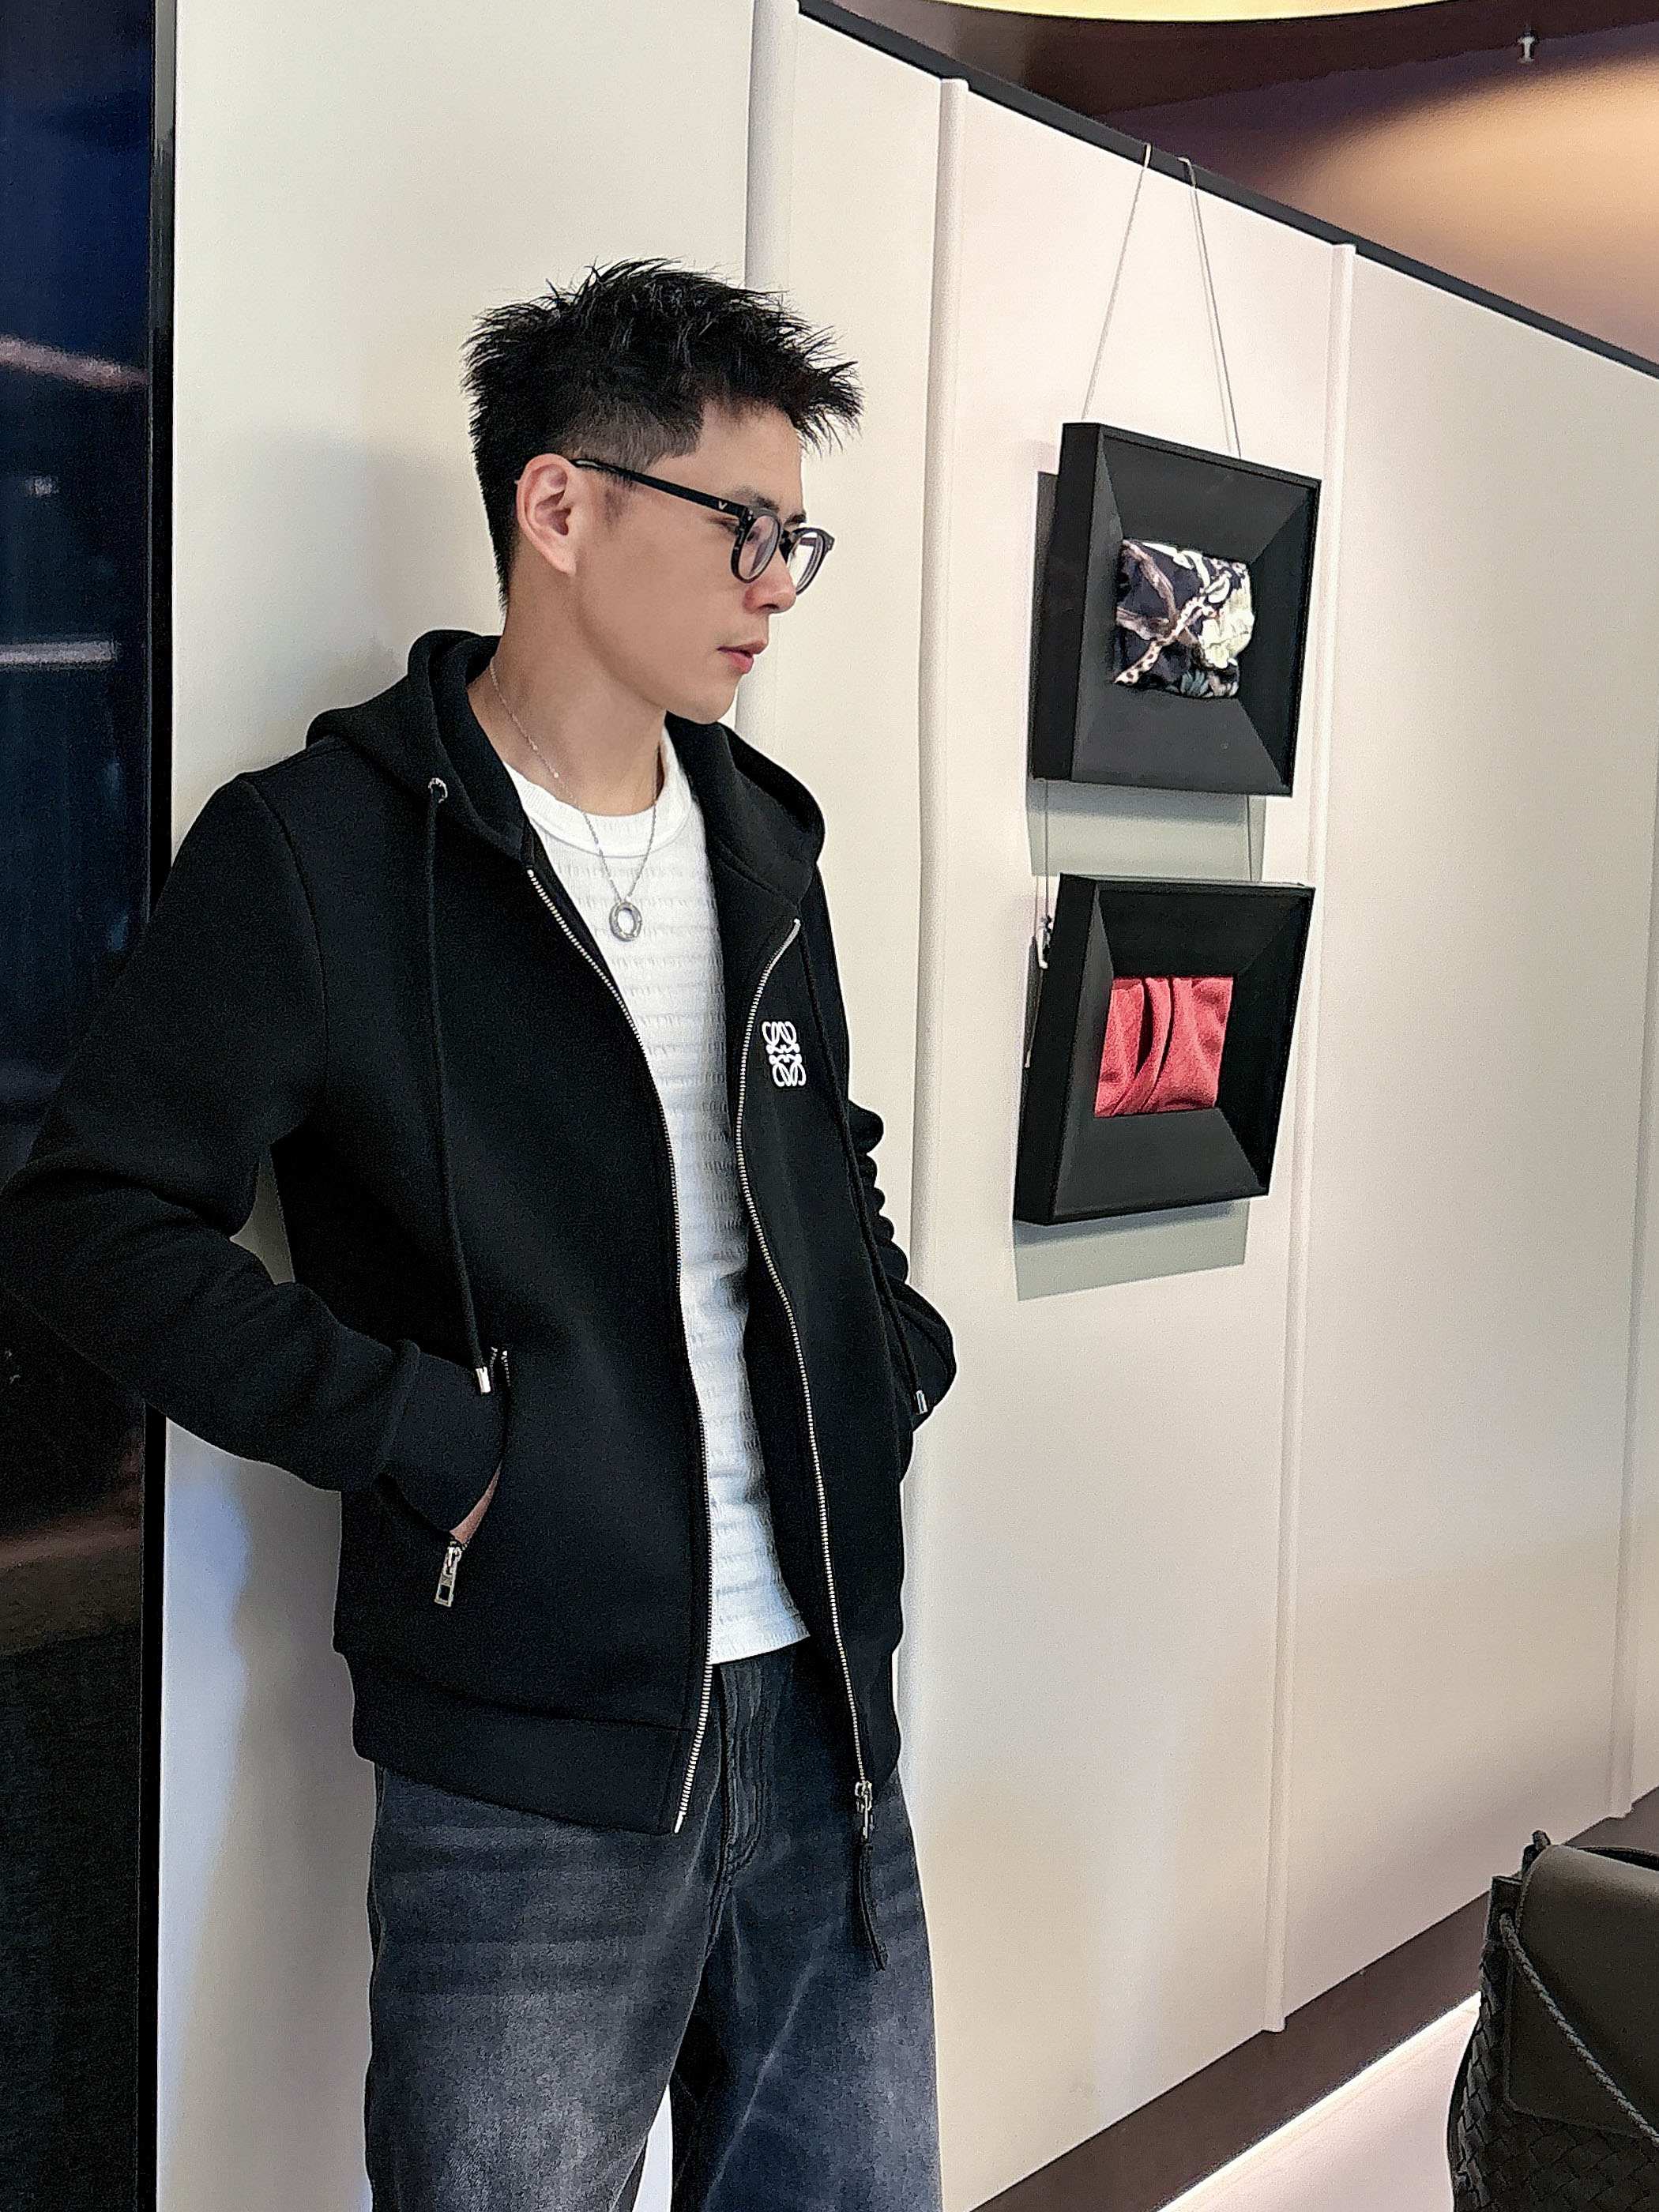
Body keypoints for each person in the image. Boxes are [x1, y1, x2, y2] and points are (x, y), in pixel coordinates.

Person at [0, 254, 957, 2210]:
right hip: (530, 1749)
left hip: (825, 1714)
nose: (777, 580)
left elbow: (816, 1144)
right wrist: (431, 1435)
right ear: (561, 504)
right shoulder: (324, 850)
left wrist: (889, 1350)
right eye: (744, 523)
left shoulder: (766, 839)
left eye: (797, 536)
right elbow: (92, 1219)